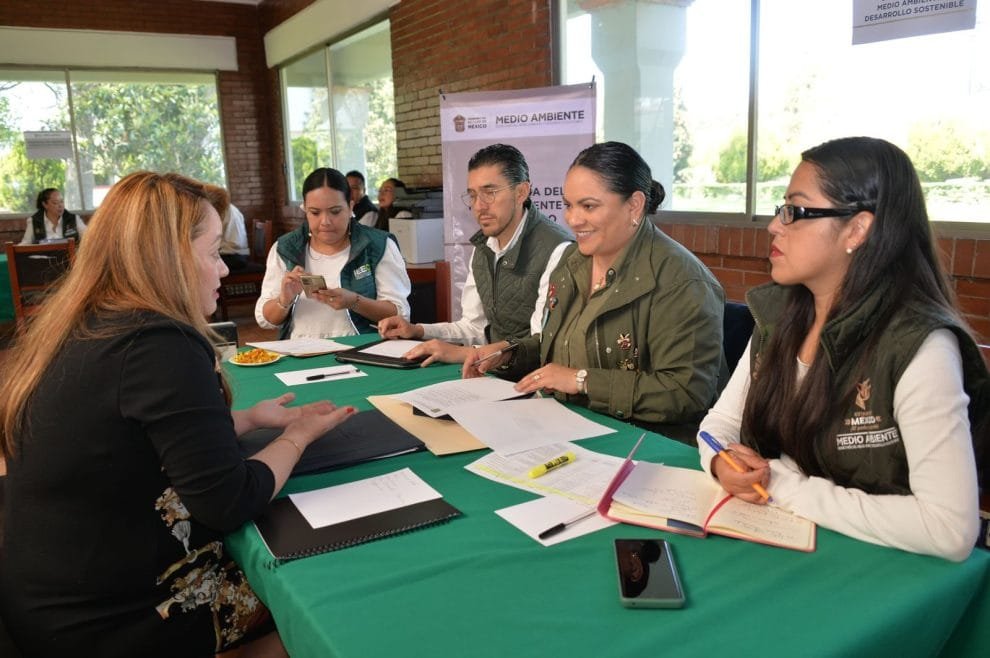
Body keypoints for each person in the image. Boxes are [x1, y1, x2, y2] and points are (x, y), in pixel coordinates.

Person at [0, 171, 356, 656]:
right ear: (167, 258)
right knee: (328, 593)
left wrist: (247, 420)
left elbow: (132, 441)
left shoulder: (89, 322)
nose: (225, 271)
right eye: (213, 253)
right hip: (111, 621)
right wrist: (299, 435)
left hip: (52, 595)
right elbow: (230, 500)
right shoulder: (158, 343)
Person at [696, 136, 989, 562]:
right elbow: (718, 425)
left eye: (795, 211)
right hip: (789, 543)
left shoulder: (919, 346)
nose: (774, 225)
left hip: (877, 571)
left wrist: (780, 484)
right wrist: (723, 464)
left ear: (857, 229)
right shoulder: (778, 316)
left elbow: (949, 527)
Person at [467, 141, 726, 431]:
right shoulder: (571, 261)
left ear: (634, 205)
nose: (573, 220)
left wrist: (582, 380)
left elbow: (686, 393)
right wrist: (510, 352)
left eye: (588, 206)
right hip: (567, 426)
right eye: (568, 205)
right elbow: (565, 347)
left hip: (647, 445)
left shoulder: (682, 281)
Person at [378, 143, 572, 365]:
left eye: (490, 193)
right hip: (492, 372)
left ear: (521, 192)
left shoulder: (558, 249)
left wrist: (465, 354)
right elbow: (474, 328)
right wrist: (418, 330)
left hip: (535, 383)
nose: (479, 206)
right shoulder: (484, 247)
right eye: (472, 195)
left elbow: (540, 344)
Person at [256, 167, 411, 338]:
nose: (325, 222)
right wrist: (284, 299)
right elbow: (266, 320)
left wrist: (354, 302)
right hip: (300, 353)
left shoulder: (378, 245)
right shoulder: (285, 248)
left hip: (362, 350)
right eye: (315, 213)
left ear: (350, 206)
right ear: (305, 210)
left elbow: (399, 313)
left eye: (335, 211)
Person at [20, 187, 86, 243]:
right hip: (43, 257)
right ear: (45, 204)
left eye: (62, 201)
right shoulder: (34, 221)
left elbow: (88, 237)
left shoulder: (74, 219)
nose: (60, 206)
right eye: (55, 203)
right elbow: (25, 244)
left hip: (69, 257)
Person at [219, 200, 250, 271]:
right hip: (233, 253)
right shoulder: (227, 208)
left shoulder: (227, 211)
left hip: (235, 256)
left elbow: (235, 244)